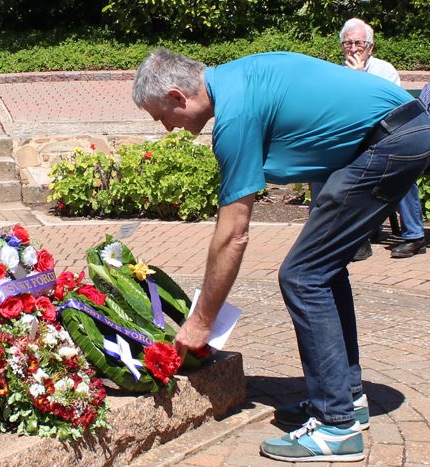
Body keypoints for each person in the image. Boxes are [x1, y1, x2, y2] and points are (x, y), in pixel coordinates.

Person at [133, 48, 430, 462]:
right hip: (400, 132)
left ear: (178, 96)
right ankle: (345, 396)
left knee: (302, 276)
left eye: (162, 116)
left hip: (391, 140)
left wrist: (200, 322)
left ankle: (335, 427)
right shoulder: (238, 78)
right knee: (321, 270)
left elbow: (233, 233)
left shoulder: (234, 116)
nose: (167, 129)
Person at [311, 18, 426, 261]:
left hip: (386, 139)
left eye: (358, 43)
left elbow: (395, 112)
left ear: (370, 47)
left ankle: (414, 235)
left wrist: (360, 78)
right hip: (352, 141)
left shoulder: (385, 71)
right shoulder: (336, 73)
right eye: (347, 43)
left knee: (400, 164)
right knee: (319, 168)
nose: (353, 48)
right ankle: (328, 236)